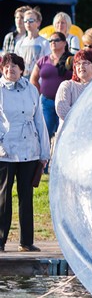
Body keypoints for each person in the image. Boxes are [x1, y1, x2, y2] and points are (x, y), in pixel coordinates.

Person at [0, 53, 50, 252]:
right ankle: (1, 240)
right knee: (4, 195)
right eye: (6, 66)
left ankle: (26, 241)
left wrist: (44, 152)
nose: (9, 69)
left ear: (22, 69)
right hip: (5, 150)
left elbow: (40, 121)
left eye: (14, 66)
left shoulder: (31, 89)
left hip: (29, 149)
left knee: (26, 195)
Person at [29, 31, 73, 141]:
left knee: (64, 133)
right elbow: (33, 79)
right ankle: (44, 157)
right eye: (51, 40)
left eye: (56, 40)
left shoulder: (71, 60)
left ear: (64, 43)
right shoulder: (43, 60)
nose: (53, 42)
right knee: (45, 132)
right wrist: (40, 93)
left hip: (66, 102)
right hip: (47, 101)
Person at [55, 50, 92, 130]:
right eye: (78, 63)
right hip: (70, 135)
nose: (81, 66)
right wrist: (85, 122)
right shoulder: (67, 86)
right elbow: (62, 109)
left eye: (85, 63)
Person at [15, 8, 51, 77]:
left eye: (31, 20)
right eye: (25, 21)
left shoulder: (45, 43)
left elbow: (48, 64)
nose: (28, 23)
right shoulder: (19, 43)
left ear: (38, 22)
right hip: (22, 80)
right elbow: (16, 63)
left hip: (38, 80)